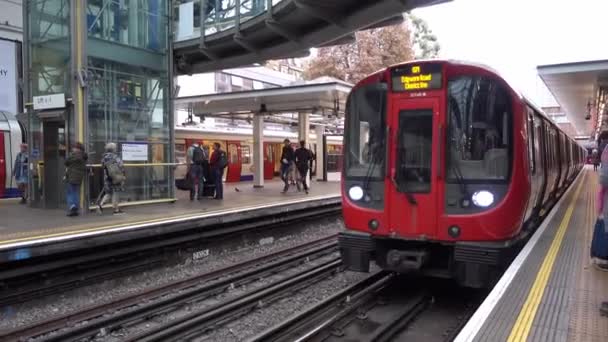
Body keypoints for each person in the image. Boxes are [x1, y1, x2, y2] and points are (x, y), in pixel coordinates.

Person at [97, 143, 125, 215]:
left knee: (108, 193)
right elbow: (121, 166)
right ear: (113, 149)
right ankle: (116, 210)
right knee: (116, 192)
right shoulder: (116, 157)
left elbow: (103, 166)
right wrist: (123, 175)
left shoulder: (104, 158)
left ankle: (100, 205)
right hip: (116, 177)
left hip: (107, 178)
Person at [64, 142, 88, 216]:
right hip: (79, 177)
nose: (72, 149)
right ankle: (76, 208)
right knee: (76, 192)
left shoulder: (73, 156)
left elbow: (66, 162)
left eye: (74, 147)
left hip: (71, 176)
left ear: (77, 149)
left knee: (70, 192)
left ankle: (72, 207)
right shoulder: (83, 156)